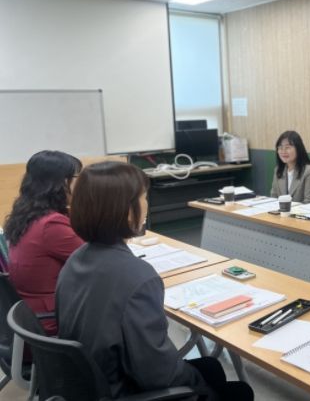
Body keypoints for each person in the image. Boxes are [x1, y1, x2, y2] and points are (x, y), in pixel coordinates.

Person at [56, 162, 253, 400]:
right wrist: (198, 384)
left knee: (211, 366)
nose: (146, 204)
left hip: (89, 383)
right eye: (143, 197)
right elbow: (158, 374)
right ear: (127, 211)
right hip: (123, 392)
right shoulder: (138, 277)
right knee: (239, 391)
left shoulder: (76, 259)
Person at [4, 150, 83, 336]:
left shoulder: (27, 214)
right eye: (77, 178)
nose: (80, 184)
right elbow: (98, 258)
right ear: (61, 183)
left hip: (28, 317)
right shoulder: (51, 225)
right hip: (51, 320)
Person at [270, 130, 310, 203]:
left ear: (298, 149)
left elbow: (309, 203)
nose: (283, 151)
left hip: (304, 210)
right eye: (280, 148)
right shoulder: (278, 170)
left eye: (287, 147)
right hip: (282, 210)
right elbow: (274, 197)